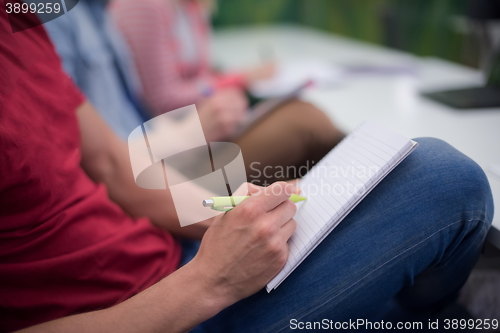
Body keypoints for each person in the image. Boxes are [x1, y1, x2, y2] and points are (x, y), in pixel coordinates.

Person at [0, 5, 494, 333]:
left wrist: (227, 207)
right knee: (444, 177)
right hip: (163, 309)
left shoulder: (21, 24)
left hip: (172, 257)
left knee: (377, 168)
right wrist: (210, 281)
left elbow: (116, 166)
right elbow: (157, 111)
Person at [42, 0, 344, 185]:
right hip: (155, 159)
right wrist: (232, 85)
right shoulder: (135, 7)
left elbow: (198, 75)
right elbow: (158, 103)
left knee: (308, 123)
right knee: (308, 123)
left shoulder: (100, 12)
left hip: (163, 145)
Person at [110, 0, 275, 115]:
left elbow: (201, 77)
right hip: (162, 133)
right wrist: (236, 80)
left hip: (192, 121)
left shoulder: (191, 6)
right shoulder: (146, 6)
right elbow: (163, 99)